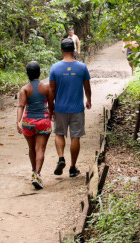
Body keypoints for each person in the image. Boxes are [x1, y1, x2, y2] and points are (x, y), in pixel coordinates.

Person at [49, 38, 92, 178]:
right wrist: (89, 100)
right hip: (77, 109)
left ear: (61, 50)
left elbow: (51, 91)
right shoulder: (82, 67)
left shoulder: (55, 68)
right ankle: (73, 167)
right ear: (74, 49)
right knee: (75, 137)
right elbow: (87, 87)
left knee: (59, 134)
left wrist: (51, 108)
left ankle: (61, 158)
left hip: (60, 108)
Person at [16, 61, 54, 190]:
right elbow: (50, 104)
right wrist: (51, 115)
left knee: (31, 149)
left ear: (27, 74)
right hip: (43, 121)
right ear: (39, 72)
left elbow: (21, 106)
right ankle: (37, 174)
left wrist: (18, 122)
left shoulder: (25, 89)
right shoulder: (46, 87)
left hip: (28, 122)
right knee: (40, 149)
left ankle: (34, 172)